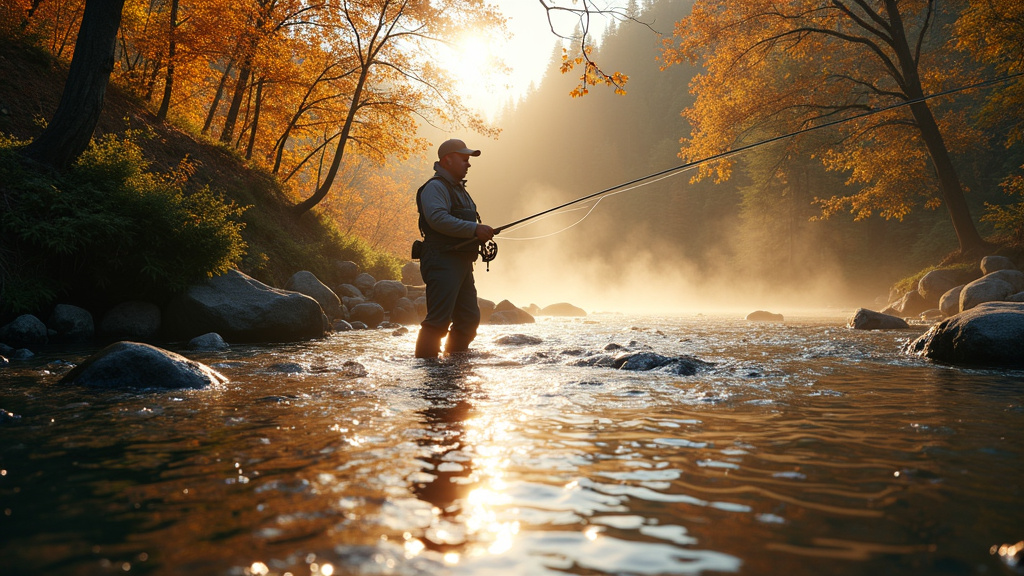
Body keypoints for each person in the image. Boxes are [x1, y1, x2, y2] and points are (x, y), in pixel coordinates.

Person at [414, 138, 496, 359]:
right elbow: (437, 219)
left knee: (469, 319)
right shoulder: (435, 187)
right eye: (464, 159)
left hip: (461, 262)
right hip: (441, 260)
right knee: (438, 321)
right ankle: (426, 368)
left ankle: (455, 362)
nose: (468, 164)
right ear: (447, 160)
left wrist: (477, 232)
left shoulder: (459, 189)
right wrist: (474, 229)